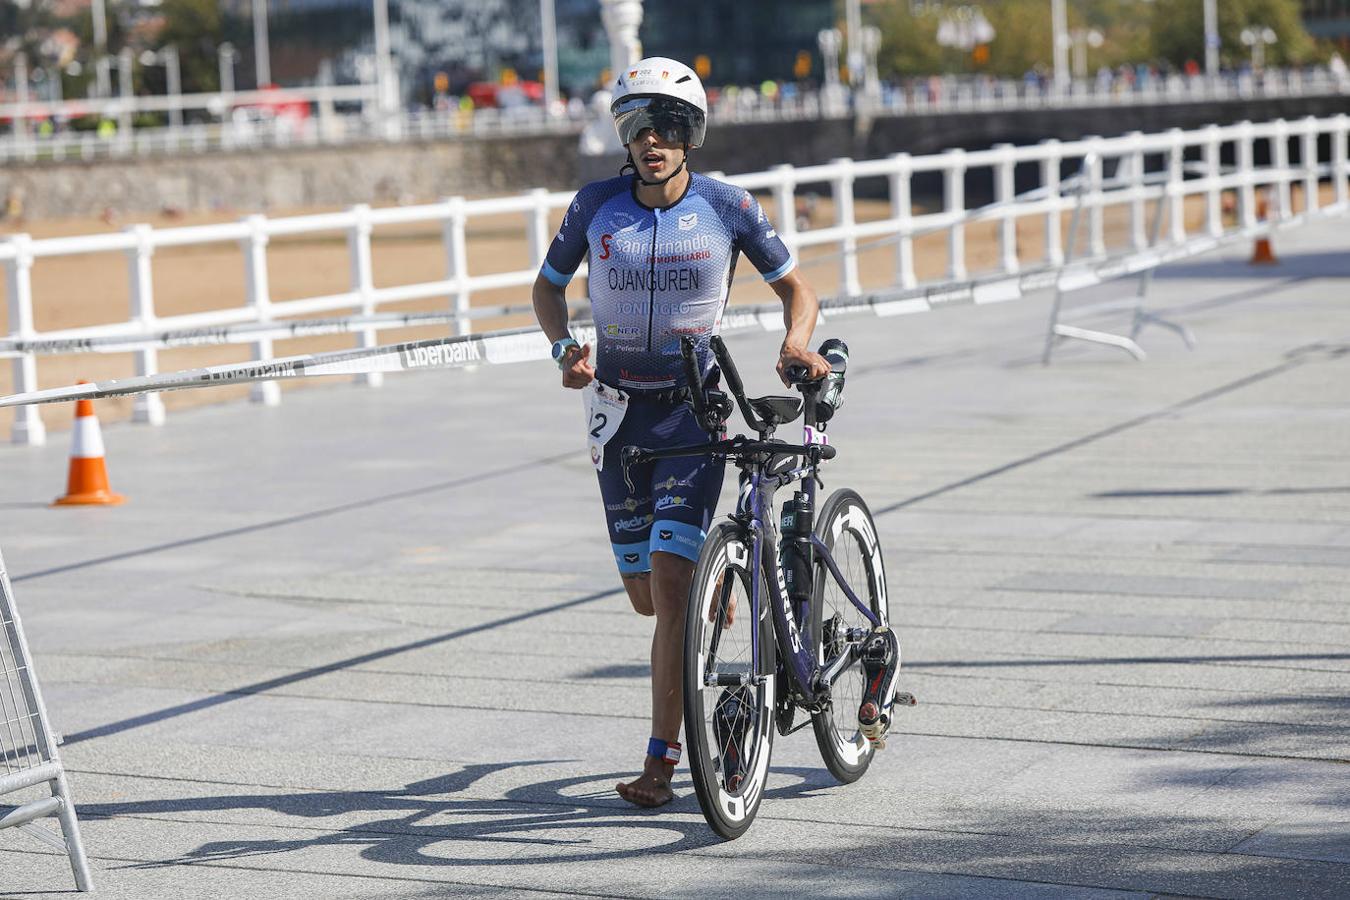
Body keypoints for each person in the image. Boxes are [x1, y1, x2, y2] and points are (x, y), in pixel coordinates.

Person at [531, 57, 829, 808]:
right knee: (645, 596)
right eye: (637, 125)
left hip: (693, 416)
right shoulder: (595, 205)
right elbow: (547, 287)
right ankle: (699, 588)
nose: (652, 140)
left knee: (668, 592)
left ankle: (661, 764)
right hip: (616, 417)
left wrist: (797, 341)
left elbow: (798, 287)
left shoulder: (727, 206)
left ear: (690, 135)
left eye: (668, 126)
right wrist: (564, 348)